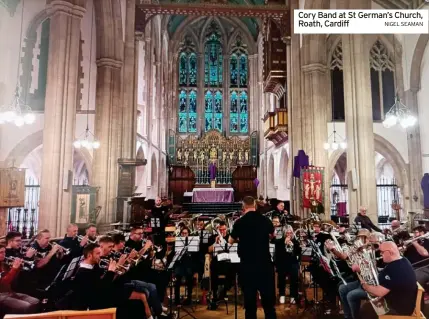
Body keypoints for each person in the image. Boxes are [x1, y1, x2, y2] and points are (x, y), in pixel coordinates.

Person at [229, 196, 276, 319]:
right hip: (264, 265)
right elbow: (272, 235)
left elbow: (230, 241)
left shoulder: (239, 222)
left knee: (249, 303)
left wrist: (241, 238)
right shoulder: (265, 220)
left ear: (243, 207)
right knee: (268, 303)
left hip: (247, 266)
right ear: (255, 206)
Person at [360, 241, 417, 319]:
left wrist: (365, 286)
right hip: (405, 303)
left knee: (366, 309)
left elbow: (379, 292)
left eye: (382, 252)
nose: (380, 254)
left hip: (399, 309)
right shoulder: (403, 260)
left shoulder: (394, 269)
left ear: (389, 252)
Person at [0, 244, 40, 317]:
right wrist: (14, 268)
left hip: (9, 292)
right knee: (26, 306)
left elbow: (12, 281)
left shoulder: (3, 264)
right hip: (1, 295)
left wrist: (17, 268)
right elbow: (3, 283)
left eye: (4, 252)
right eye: (1, 252)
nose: (4, 254)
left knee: (35, 301)